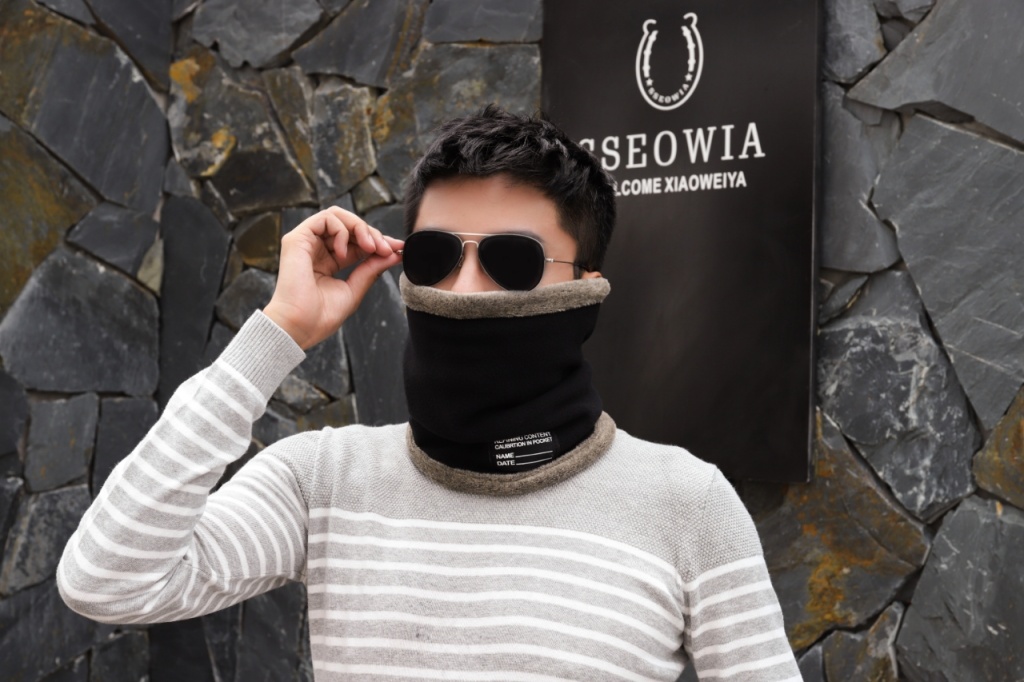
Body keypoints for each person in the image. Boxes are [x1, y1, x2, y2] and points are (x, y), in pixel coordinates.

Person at [58, 106, 800, 681]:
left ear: (587, 285)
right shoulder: (321, 481)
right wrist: (277, 334)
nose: (464, 289)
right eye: (436, 256)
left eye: (513, 261)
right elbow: (107, 581)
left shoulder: (687, 504)